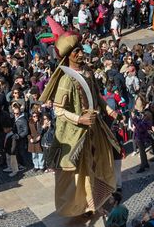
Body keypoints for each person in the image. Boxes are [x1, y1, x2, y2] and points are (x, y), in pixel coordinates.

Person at [38, 28, 121, 217]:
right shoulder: (66, 80)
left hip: (94, 129)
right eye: (77, 51)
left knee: (99, 163)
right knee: (80, 174)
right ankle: (84, 206)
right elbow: (58, 110)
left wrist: (108, 109)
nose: (81, 53)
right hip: (76, 133)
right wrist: (79, 118)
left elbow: (96, 95)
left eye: (81, 50)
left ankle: (97, 200)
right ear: (69, 56)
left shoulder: (88, 72)